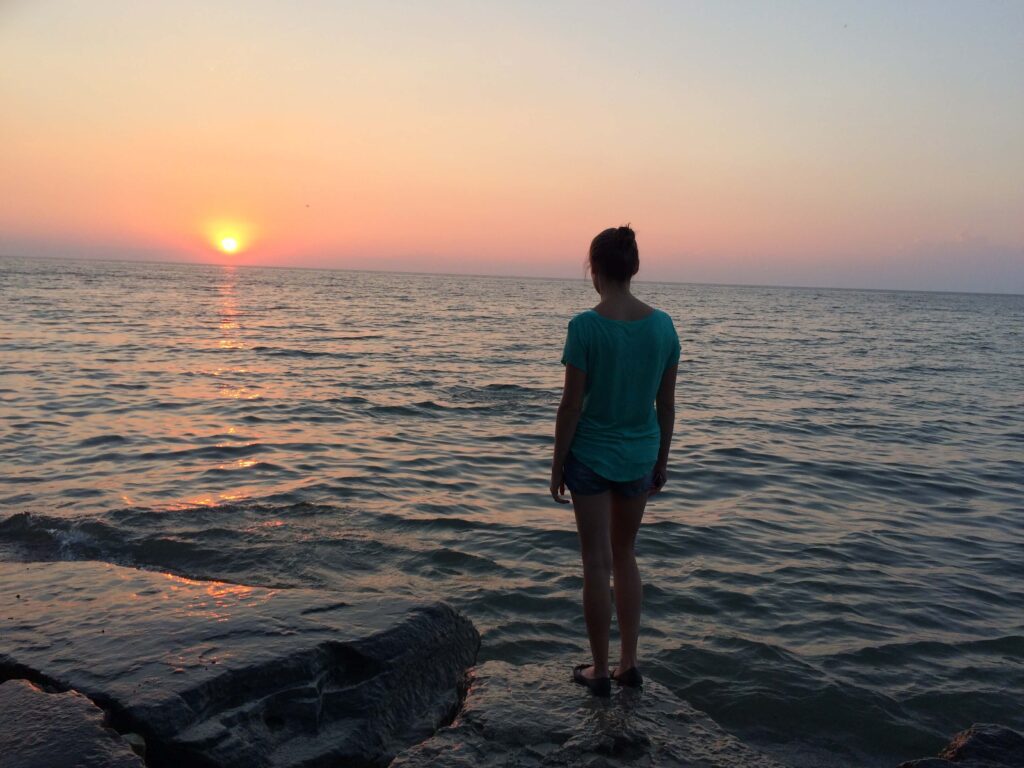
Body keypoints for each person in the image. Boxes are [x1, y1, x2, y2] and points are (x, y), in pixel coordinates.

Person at [550, 225, 680, 697]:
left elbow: (570, 406)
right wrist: (662, 458)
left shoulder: (585, 327)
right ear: (635, 268)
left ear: (595, 269)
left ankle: (599, 670)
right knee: (625, 556)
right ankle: (629, 664)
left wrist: (556, 463)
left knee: (595, 561)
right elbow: (665, 406)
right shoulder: (663, 326)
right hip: (640, 453)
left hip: (590, 454)